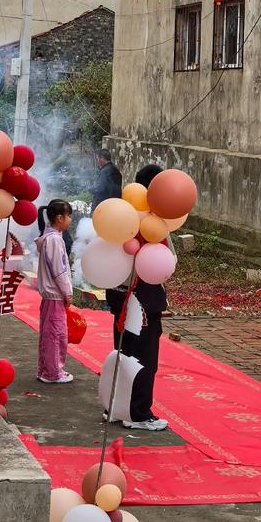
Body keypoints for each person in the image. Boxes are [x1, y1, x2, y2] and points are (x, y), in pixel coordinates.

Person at [105, 162, 169, 432]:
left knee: (124, 352)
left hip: (121, 295)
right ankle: (138, 413)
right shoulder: (150, 223)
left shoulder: (121, 214)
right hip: (141, 298)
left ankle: (118, 408)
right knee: (143, 358)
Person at [35, 200, 74, 385]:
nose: (71, 220)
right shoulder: (55, 240)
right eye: (69, 216)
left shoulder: (49, 238)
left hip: (50, 296)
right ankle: (53, 372)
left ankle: (46, 369)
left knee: (49, 334)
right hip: (55, 295)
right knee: (56, 335)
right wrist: (68, 293)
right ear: (60, 218)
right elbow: (59, 271)